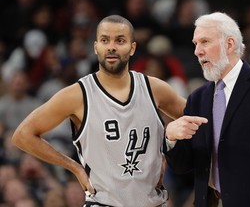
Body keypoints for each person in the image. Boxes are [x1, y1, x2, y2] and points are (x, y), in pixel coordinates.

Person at [11, 15, 207, 207]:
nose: (111, 46)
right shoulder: (77, 95)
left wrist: (166, 153)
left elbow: (201, 122)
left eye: (120, 40)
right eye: (105, 40)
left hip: (152, 202)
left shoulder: (155, 89)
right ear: (96, 47)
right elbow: (22, 135)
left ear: (132, 48)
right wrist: (74, 167)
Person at [164, 12, 250, 207]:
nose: (197, 51)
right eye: (195, 43)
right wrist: (171, 138)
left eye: (204, 42)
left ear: (229, 45)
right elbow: (183, 166)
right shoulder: (197, 98)